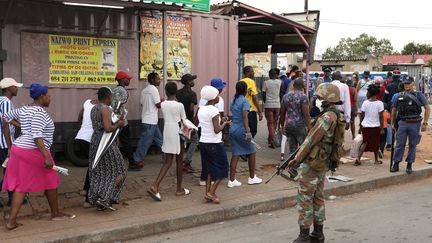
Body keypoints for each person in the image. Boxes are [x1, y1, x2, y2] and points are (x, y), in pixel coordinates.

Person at [2, 84, 75, 230]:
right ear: (42, 97)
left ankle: (15, 218)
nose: (50, 97)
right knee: (36, 183)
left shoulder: (24, 109)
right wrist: (46, 157)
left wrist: (12, 143)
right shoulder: (39, 113)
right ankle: (13, 221)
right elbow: (37, 136)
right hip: (33, 152)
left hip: (19, 149)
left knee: (41, 181)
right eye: (48, 95)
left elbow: (5, 118)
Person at [286, 83, 341, 243]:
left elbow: (311, 140)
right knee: (317, 197)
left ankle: (304, 236)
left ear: (326, 98)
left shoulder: (326, 117)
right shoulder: (335, 114)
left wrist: (296, 159)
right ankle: (318, 234)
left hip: (314, 162)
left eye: (319, 97)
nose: (316, 100)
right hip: (322, 162)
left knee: (304, 198)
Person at [148, 82, 190, 201]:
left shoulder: (163, 104)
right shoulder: (179, 105)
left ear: (166, 92)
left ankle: (155, 185)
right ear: (176, 91)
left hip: (167, 132)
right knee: (179, 161)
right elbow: (184, 121)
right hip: (177, 133)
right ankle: (179, 189)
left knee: (168, 161)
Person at [88, 87, 126, 211]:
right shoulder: (105, 109)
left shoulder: (94, 108)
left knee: (102, 173)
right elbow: (108, 128)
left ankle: (100, 199)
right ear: (109, 97)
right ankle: (105, 198)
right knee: (120, 170)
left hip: (95, 141)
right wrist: (119, 125)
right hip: (106, 143)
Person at [198, 86, 230, 203]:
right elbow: (217, 130)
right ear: (212, 98)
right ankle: (211, 192)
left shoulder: (201, 109)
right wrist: (225, 123)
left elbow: (209, 124)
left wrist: (221, 121)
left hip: (203, 142)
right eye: (217, 96)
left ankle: (208, 193)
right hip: (214, 144)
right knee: (223, 168)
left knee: (209, 169)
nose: (218, 98)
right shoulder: (214, 110)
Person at [390, 77, 430, 174]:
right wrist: (392, 123)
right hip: (403, 122)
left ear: (413, 84)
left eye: (409, 83)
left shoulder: (418, 95)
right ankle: (396, 163)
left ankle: (409, 164)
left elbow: (427, 108)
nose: (407, 85)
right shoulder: (399, 95)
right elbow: (394, 109)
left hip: (415, 123)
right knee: (400, 144)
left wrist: (425, 123)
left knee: (412, 145)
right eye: (405, 83)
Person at [228, 81, 262, 188]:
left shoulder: (233, 100)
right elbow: (245, 117)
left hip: (233, 128)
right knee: (252, 151)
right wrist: (247, 132)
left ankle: (232, 179)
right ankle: (252, 177)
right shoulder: (245, 101)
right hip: (241, 129)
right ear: (245, 90)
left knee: (236, 153)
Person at [197, 78, 226, 185]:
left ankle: (204, 179)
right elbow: (217, 129)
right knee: (217, 163)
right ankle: (212, 183)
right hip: (213, 139)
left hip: (203, 135)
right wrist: (224, 124)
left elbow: (198, 115)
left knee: (205, 159)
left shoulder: (203, 102)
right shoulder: (215, 106)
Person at [132, 72, 163, 169]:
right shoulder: (154, 89)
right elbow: (158, 105)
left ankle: (167, 155)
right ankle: (137, 159)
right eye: (158, 79)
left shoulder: (144, 90)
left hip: (147, 119)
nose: (160, 81)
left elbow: (142, 103)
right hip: (151, 120)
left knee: (159, 139)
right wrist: (166, 103)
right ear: (152, 80)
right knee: (145, 141)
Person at [0, 78, 23, 208]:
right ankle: (13, 197)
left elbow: (8, 120)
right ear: (9, 89)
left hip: (1, 142)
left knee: (8, 171)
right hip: (5, 144)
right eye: (15, 87)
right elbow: (6, 125)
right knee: (10, 173)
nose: (17, 89)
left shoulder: (1, 100)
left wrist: (19, 125)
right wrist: (10, 146)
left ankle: (12, 197)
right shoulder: (7, 102)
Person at [279, 78, 311, 165]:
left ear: (293, 86)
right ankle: (298, 166)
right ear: (303, 86)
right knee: (302, 148)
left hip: (288, 125)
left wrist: (282, 126)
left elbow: (282, 113)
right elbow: (306, 114)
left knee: (292, 148)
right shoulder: (304, 97)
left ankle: (291, 166)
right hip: (300, 125)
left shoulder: (286, 96)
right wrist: (310, 128)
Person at [112, 71, 137, 170]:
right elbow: (118, 106)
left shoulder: (113, 89)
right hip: (121, 120)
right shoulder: (122, 91)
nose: (129, 80)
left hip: (114, 119)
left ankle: (127, 162)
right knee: (126, 142)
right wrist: (120, 118)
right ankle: (132, 163)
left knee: (119, 142)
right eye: (127, 79)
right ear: (122, 80)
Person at [76, 97, 98, 208]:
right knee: (95, 168)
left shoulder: (87, 102)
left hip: (80, 137)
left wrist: (82, 127)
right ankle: (88, 200)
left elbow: (80, 115)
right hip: (90, 139)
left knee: (91, 164)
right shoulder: (104, 107)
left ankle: (85, 189)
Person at [356, 85, 384, 166]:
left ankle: (358, 158)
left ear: (370, 93)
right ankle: (376, 160)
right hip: (375, 127)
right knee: (376, 144)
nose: (366, 94)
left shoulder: (365, 103)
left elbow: (362, 116)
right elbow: (381, 117)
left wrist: (360, 126)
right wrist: (382, 128)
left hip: (366, 126)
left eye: (367, 92)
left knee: (364, 143)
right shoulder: (380, 103)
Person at [177, 74, 198, 173]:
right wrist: (192, 123)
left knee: (180, 141)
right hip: (187, 121)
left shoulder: (178, 93)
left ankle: (179, 161)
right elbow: (191, 109)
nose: (194, 81)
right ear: (189, 82)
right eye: (192, 80)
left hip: (179, 120)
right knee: (195, 140)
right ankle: (186, 162)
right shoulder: (192, 94)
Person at [240, 66, 263, 138]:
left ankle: (245, 144)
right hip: (251, 110)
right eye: (252, 71)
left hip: (242, 109)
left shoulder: (240, 81)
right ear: (247, 72)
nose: (253, 73)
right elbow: (255, 97)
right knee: (253, 130)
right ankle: (248, 144)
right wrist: (259, 111)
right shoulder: (251, 82)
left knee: (245, 128)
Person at [383, 70, 402, 151]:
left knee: (390, 125)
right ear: (399, 76)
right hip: (401, 108)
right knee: (400, 126)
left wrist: (386, 109)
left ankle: (389, 144)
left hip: (391, 108)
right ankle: (399, 143)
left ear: (393, 76)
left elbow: (385, 99)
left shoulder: (389, 86)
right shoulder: (403, 85)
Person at [262, 68, 282, 148]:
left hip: (268, 105)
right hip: (277, 105)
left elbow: (263, 94)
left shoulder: (266, 82)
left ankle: (273, 139)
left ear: (269, 75)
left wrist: (265, 102)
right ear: (276, 75)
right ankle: (270, 139)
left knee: (270, 123)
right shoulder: (280, 82)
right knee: (274, 122)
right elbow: (280, 93)